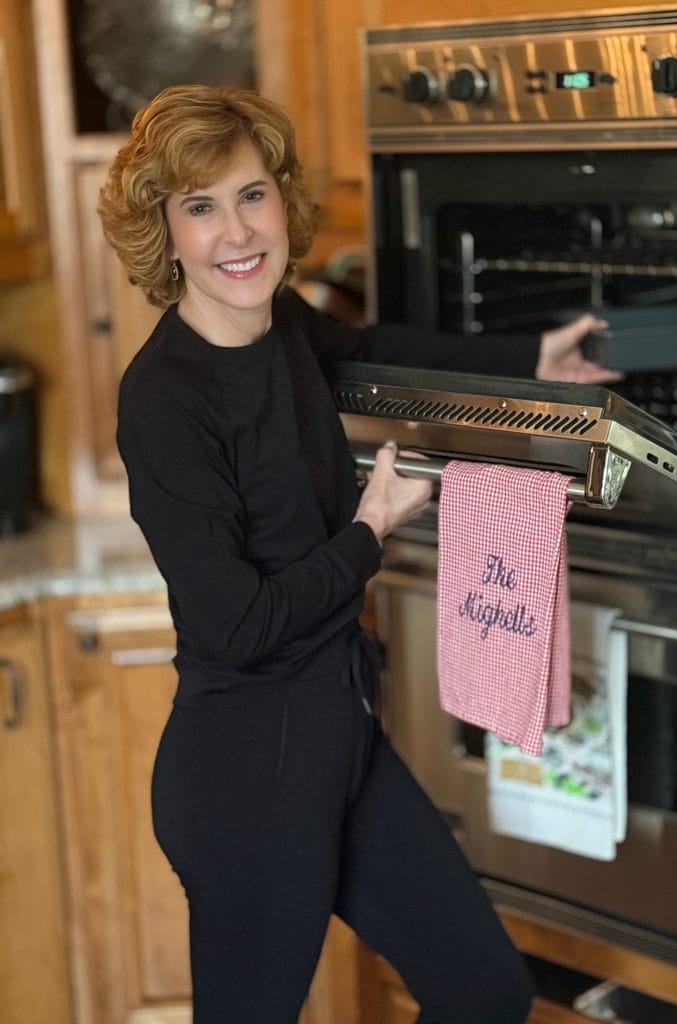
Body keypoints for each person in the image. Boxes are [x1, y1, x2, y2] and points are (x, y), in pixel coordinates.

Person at [98, 83, 618, 1024]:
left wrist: (534, 358)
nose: (235, 232)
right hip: (248, 771)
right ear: (164, 231)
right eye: (200, 207)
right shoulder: (164, 399)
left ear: (281, 201)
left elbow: (373, 346)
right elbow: (237, 622)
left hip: (339, 737)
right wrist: (369, 531)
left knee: (485, 991)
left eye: (251, 195)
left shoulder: (284, 324)